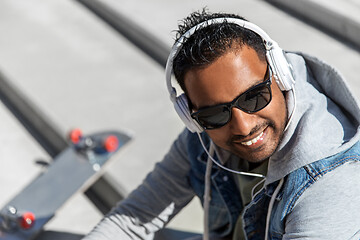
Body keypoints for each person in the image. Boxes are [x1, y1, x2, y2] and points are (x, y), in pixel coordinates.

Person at [83, 9, 360, 240]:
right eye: (216, 114)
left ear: (282, 75)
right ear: (191, 116)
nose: (242, 126)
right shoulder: (203, 135)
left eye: (254, 97)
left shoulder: (331, 184)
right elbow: (131, 220)